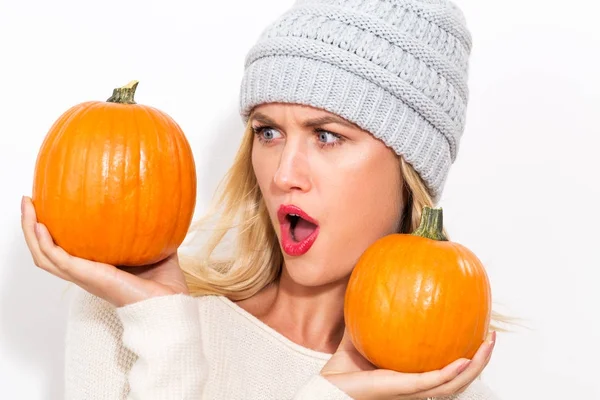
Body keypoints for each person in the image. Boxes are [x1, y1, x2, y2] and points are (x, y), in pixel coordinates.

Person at [21, 0, 502, 398]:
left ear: (409, 169)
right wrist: (167, 328)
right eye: (268, 132)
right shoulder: (132, 307)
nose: (284, 174)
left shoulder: (433, 382)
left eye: (327, 136)